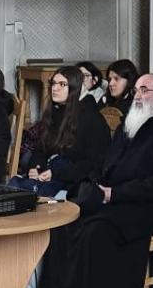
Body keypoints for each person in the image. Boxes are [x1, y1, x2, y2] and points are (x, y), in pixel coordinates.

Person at [30, 73, 153, 288]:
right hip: (112, 197)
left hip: (147, 205)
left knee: (97, 232)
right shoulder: (130, 123)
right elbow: (107, 163)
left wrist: (115, 193)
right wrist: (99, 187)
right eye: (136, 90)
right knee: (64, 222)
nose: (138, 96)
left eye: (145, 90)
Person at [11, 66, 110, 197]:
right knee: (13, 186)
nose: (55, 88)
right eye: (53, 83)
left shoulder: (91, 117)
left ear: (75, 88)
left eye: (62, 84)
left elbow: (91, 164)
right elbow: (41, 147)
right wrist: (36, 167)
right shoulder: (58, 110)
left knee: (27, 195)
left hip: (76, 182)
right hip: (52, 173)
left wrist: (55, 173)